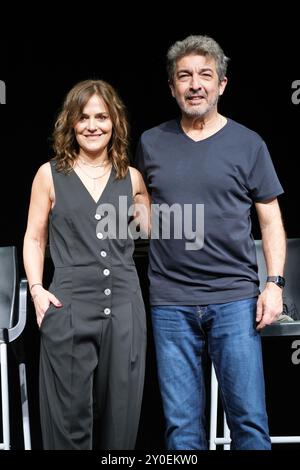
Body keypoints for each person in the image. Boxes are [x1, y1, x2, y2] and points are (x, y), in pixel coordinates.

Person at [135, 35, 286, 450]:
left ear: (222, 84)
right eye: (185, 76)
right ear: (172, 86)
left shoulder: (249, 143)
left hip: (235, 300)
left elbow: (270, 220)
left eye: (206, 74)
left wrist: (274, 283)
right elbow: (142, 209)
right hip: (170, 302)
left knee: (249, 423)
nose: (195, 84)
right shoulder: (151, 143)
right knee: (182, 431)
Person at [23, 79, 150, 450]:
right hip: (69, 304)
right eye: (83, 117)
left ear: (115, 123)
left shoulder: (133, 178)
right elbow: (34, 238)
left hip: (125, 306)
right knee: (67, 420)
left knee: (121, 421)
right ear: (71, 123)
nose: (93, 125)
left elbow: (153, 230)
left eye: (101, 116)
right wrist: (36, 291)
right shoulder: (48, 175)